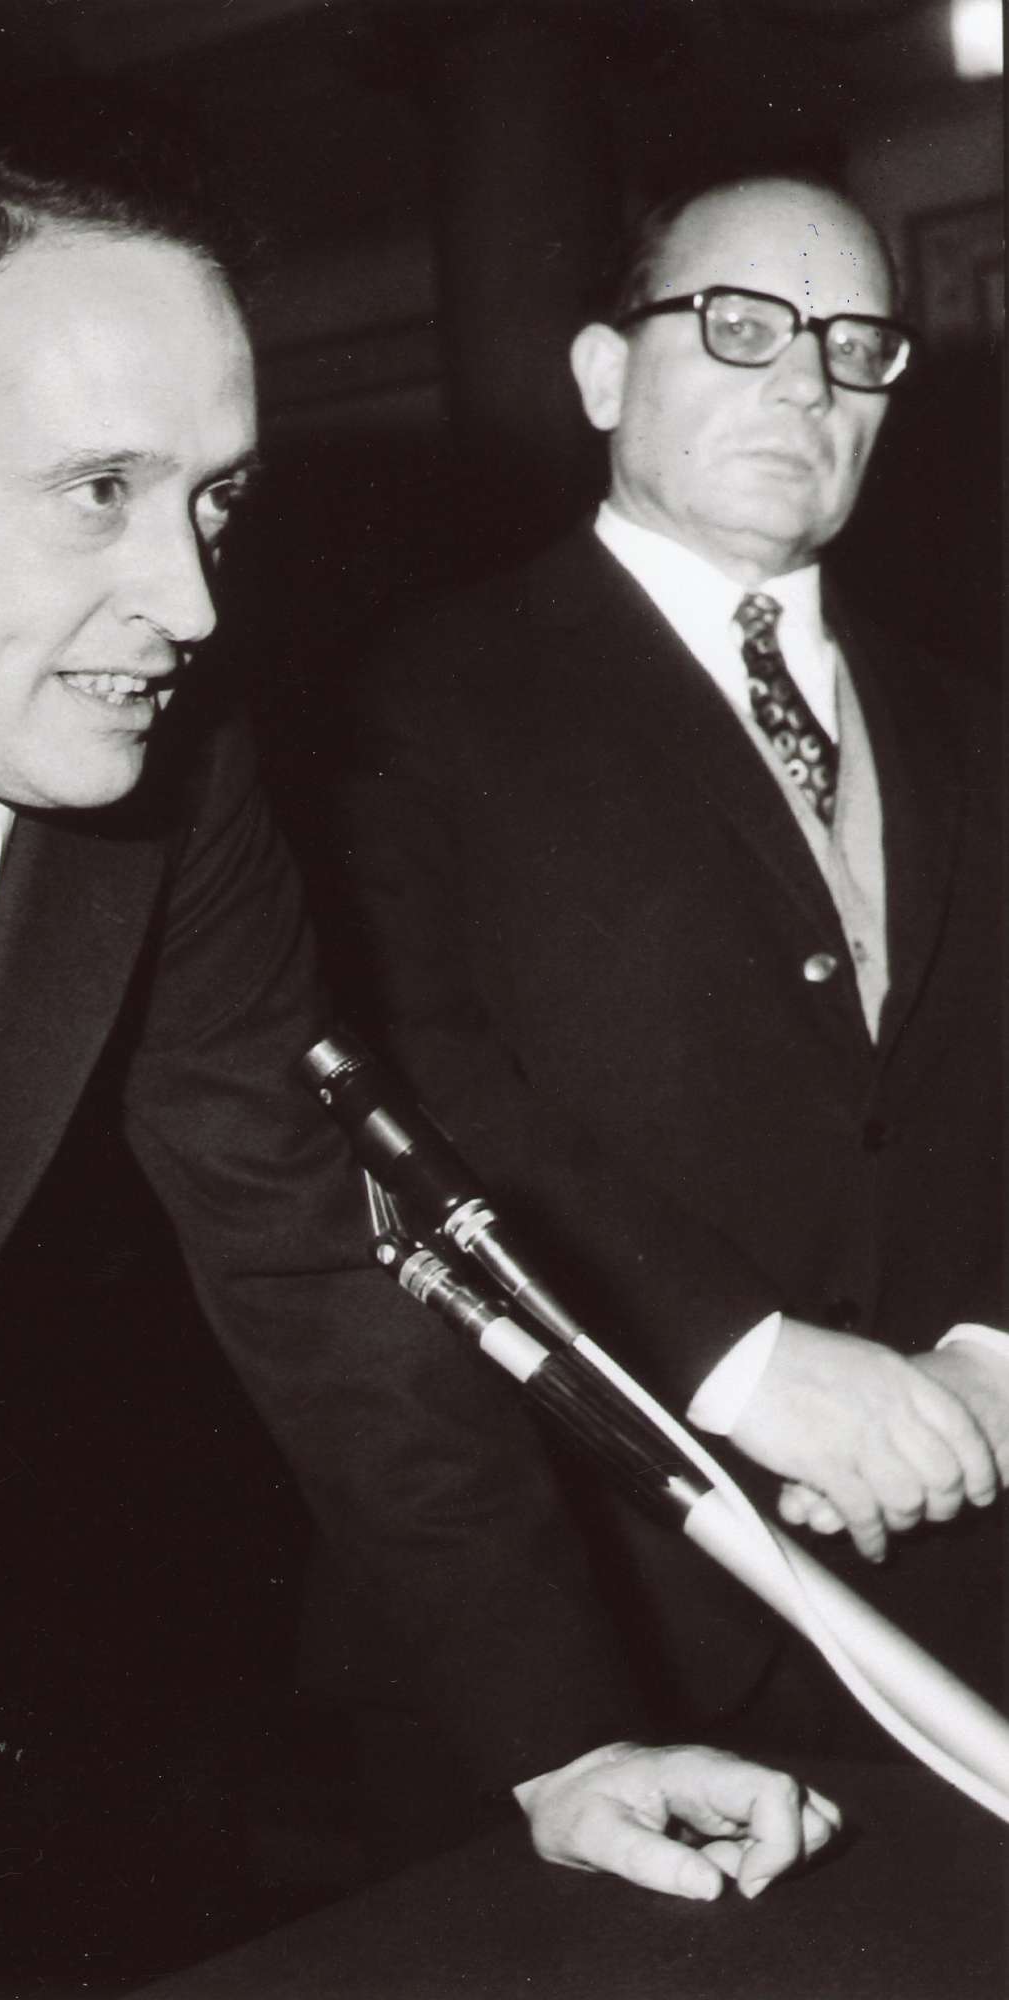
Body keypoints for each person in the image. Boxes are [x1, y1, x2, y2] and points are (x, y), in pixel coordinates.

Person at [0, 135, 838, 1993]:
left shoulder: (161, 774)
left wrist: (565, 1743)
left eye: (215, 500)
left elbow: (315, 1258)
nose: (195, 601)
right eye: (97, 493)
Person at [333, 174, 1006, 1759]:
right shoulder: (412, 691)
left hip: (971, 1578)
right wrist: (744, 1362)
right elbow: (406, 1077)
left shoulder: (978, 720)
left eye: (856, 346)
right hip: (606, 1611)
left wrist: (990, 1361)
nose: (808, 382)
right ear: (600, 372)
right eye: (743, 326)